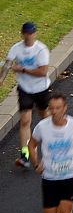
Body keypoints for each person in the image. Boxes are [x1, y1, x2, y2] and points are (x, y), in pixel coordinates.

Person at [8, 21, 53, 169]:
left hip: (41, 89)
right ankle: (25, 155)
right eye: (26, 33)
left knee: (44, 116)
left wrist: (22, 69)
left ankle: (52, 142)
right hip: (25, 89)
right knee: (25, 120)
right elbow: (8, 64)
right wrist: (1, 78)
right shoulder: (16, 48)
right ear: (22, 34)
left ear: (35, 34)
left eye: (31, 33)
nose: (29, 36)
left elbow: (43, 72)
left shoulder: (41, 50)